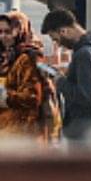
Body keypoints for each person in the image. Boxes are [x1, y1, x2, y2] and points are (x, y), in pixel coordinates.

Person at [40, 8, 91, 142]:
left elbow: (86, 97)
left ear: (63, 31)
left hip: (84, 130)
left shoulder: (85, 54)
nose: (58, 44)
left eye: (56, 39)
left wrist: (59, 81)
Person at [0, 11, 61, 142]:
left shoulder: (28, 57)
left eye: (8, 32)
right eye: (0, 32)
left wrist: (5, 97)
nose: (3, 36)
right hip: (6, 132)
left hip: (23, 135)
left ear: (20, 31)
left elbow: (33, 98)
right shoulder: (6, 58)